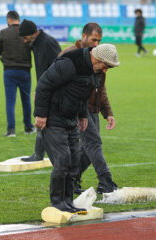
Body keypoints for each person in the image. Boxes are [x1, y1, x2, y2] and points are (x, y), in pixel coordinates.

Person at [34, 44, 119, 213]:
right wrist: (41, 114)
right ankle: (56, 202)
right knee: (63, 160)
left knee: (73, 162)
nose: (106, 70)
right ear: (98, 59)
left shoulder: (94, 72)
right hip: (53, 117)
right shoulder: (69, 63)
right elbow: (43, 85)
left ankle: (67, 201)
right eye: (106, 65)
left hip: (71, 118)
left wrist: (82, 116)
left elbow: (83, 95)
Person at [59, 23, 118, 195]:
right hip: (78, 109)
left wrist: (108, 113)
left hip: (93, 109)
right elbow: (56, 82)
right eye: (93, 40)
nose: (96, 44)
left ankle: (72, 181)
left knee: (87, 148)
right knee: (93, 143)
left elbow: (101, 87)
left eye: (99, 40)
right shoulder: (69, 55)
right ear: (83, 36)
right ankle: (106, 182)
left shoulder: (99, 55)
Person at [18, 19, 61, 162]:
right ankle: (39, 154)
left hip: (54, 90)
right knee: (41, 121)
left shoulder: (48, 43)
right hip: (44, 89)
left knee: (48, 122)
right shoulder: (36, 44)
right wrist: (39, 89)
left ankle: (45, 154)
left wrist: (47, 89)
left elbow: (59, 68)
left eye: (25, 37)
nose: (24, 41)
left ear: (32, 33)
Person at [0, 11, 34, 137]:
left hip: (9, 71)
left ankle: (11, 130)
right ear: (18, 20)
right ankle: (28, 127)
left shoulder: (4, 32)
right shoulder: (26, 32)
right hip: (25, 70)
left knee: (10, 101)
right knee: (26, 100)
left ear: (8, 20)